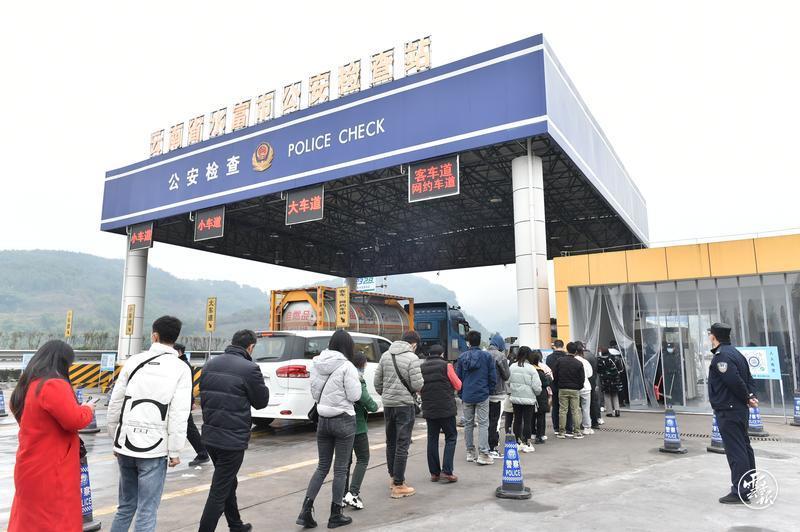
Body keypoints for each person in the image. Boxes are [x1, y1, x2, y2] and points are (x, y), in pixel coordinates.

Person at [107, 316, 193, 532]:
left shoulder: (134, 361)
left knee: (125, 507)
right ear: (175, 338)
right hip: (154, 450)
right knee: (147, 510)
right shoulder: (181, 368)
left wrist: (116, 439)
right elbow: (179, 413)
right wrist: (175, 450)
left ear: (154, 336)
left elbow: (115, 403)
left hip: (126, 445)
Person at [8, 340, 95, 532]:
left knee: (29, 519)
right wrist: (88, 409)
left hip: (28, 465)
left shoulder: (27, 385)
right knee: (56, 519)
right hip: (52, 468)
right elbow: (74, 419)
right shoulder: (53, 385)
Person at [198, 330, 269, 532]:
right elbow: (261, 402)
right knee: (219, 490)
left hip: (210, 436)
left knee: (228, 481)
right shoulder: (250, 368)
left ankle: (235, 524)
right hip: (232, 439)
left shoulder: (210, 364)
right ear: (250, 347)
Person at [297, 330, 362, 529]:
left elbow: (315, 393)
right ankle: (335, 514)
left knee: (322, 467)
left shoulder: (317, 363)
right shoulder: (347, 366)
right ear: (348, 346)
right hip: (343, 420)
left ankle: (305, 511)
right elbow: (355, 396)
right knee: (340, 469)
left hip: (323, 420)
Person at [707, 323, 758, 504]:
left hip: (729, 410)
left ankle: (740, 492)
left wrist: (747, 397)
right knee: (744, 447)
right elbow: (749, 378)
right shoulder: (736, 353)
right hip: (738, 409)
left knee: (736, 450)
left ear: (713, 336)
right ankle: (749, 486)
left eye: (710, 334)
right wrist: (751, 396)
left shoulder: (722, 357)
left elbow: (734, 381)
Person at [374, 330, 424, 498]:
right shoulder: (412, 358)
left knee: (391, 442)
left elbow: (377, 382)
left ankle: (393, 478)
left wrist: (387, 395)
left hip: (388, 405)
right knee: (402, 443)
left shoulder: (385, 356)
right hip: (404, 405)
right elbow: (417, 385)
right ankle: (398, 485)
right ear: (414, 344)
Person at [420, 344, 461, 483]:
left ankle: (434, 473)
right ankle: (447, 471)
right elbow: (458, 385)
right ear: (442, 354)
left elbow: (418, 387)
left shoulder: (422, 367)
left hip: (429, 408)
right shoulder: (446, 366)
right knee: (451, 437)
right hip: (446, 408)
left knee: (432, 439)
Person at [456, 330, 497, 465]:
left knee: (468, 424)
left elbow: (458, 378)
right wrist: (489, 390)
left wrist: (461, 393)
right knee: (483, 423)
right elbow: (492, 377)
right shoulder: (487, 357)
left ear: (468, 342)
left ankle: (470, 452)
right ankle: (483, 453)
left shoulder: (462, 357)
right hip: (482, 394)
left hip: (467, 394)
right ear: (479, 342)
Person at [343, 352, 378, 510]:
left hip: (342, 423)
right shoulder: (357, 379)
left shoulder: (342, 375)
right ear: (362, 364)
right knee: (363, 458)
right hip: (357, 424)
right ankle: (353, 493)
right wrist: (375, 406)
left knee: (345, 461)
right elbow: (365, 399)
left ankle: (342, 495)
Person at [173, 343, 210, 467]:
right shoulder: (182, 364)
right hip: (183, 401)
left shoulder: (182, 365)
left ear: (179, 352)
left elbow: (187, 386)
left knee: (190, 429)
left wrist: (191, 401)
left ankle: (203, 453)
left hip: (181, 402)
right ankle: (202, 453)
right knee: (189, 428)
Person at [507, 346, 542, 453]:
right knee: (527, 421)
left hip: (515, 398)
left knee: (517, 420)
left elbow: (508, 381)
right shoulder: (531, 368)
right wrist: (537, 393)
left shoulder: (512, 366)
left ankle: (517, 442)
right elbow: (537, 387)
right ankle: (527, 443)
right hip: (528, 399)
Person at [551, 342, 585, 439]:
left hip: (562, 388)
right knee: (575, 411)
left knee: (562, 411)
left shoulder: (560, 361)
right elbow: (582, 378)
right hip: (575, 390)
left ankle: (561, 432)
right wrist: (579, 387)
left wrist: (557, 384)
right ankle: (577, 432)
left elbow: (555, 374)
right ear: (575, 351)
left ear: (567, 349)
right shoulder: (579, 363)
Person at [486, 333, 511, 458]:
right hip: (498, 393)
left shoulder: (484, 354)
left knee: (485, 421)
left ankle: (485, 446)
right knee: (495, 421)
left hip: (484, 393)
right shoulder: (500, 356)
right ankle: (492, 447)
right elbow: (506, 375)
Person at [546, 339, 572, 435]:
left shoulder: (549, 358)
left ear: (554, 346)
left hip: (554, 385)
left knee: (555, 407)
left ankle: (556, 428)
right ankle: (568, 428)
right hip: (566, 384)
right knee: (567, 408)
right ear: (563, 346)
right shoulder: (567, 357)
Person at [531, 349, 552, 444]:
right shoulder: (542, 369)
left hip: (530, 395)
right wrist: (548, 378)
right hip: (541, 395)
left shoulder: (528, 368)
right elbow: (547, 381)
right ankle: (540, 435)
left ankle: (532, 432)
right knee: (541, 416)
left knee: (531, 415)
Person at [579, 342, 602, 428]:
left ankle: (585, 422)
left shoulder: (583, 358)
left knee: (584, 405)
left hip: (584, 383)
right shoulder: (592, 355)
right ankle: (595, 421)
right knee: (593, 402)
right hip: (592, 382)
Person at [598, 347, 624, 417]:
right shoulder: (614, 358)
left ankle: (609, 412)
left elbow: (598, 370)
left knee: (607, 395)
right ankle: (617, 410)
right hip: (615, 379)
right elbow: (621, 369)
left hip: (605, 380)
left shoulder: (599, 360)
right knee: (615, 394)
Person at [576, 344, 595, 435]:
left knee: (575, 409)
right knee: (586, 408)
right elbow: (590, 374)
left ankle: (575, 427)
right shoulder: (585, 361)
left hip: (575, 388)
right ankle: (587, 427)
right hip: (585, 387)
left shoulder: (571, 361)